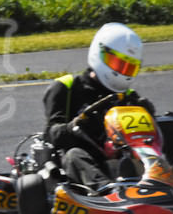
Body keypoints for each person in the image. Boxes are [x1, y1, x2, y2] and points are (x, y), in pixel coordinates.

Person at [43, 22, 155, 190]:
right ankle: (109, 191)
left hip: (123, 158)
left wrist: (150, 116)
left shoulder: (129, 97)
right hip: (82, 161)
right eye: (119, 64)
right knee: (75, 154)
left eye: (129, 68)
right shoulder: (67, 87)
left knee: (169, 124)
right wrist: (75, 126)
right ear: (100, 53)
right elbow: (51, 135)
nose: (123, 72)